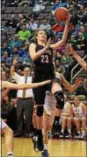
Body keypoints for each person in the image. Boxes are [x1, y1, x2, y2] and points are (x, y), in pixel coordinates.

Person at [29, 13, 83, 157]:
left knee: (60, 96)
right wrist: (44, 48)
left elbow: (64, 40)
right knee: (39, 111)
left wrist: (66, 25)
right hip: (38, 78)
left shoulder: (51, 46)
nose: (43, 34)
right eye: (40, 33)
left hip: (50, 76)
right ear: (37, 36)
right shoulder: (34, 45)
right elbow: (33, 57)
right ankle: (39, 136)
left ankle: (57, 124)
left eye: (44, 33)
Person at [1, 79, 51, 157]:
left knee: (9, 132)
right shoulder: (2, 82)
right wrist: (40, 83)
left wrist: (8, 88)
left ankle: (10, 154)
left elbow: (2, 96)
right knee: (9, 133)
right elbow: (23, 86)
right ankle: (10, 155)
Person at [10, 59, 37, 137]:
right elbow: (12, 72)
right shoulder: (19, 78)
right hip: (20, 100)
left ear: (30, 72)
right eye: (25, 71)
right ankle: (19, 131)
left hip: (29, 99)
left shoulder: (32, 79)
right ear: (23, 72)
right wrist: (13, 64)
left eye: (28, 71)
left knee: (28, 117)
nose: (26, 72)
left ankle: (27, 132)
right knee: (18, 116)